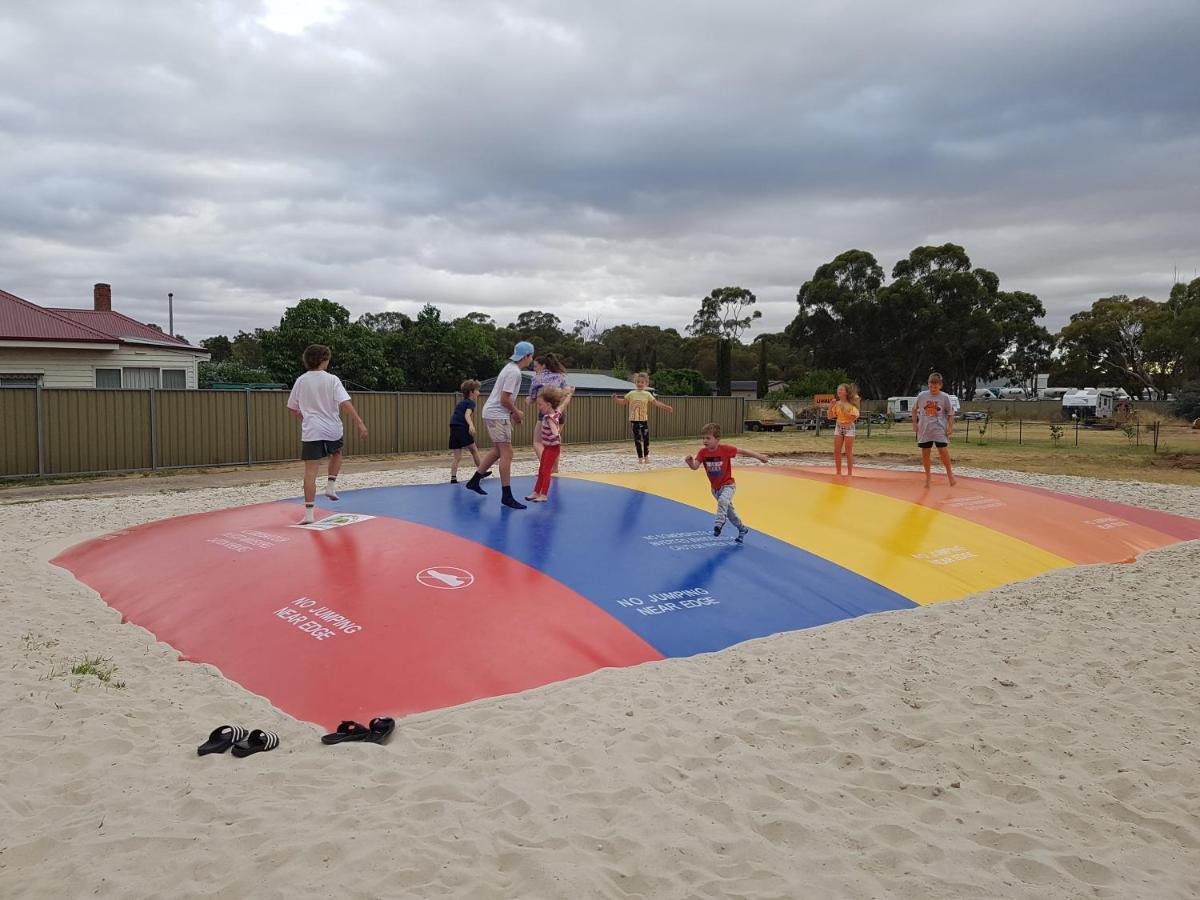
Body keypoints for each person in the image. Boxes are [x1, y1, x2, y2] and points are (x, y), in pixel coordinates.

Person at [286, 344, 368, 524]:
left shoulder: (301, 380)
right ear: (324, 360)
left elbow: (292, 407)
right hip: (332, 428)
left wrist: (305, 417)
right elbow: (345, 403)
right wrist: (360, 423)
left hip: (311, 430)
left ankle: (309, 514)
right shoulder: (332, 380)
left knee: (310, 472)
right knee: (337, 452)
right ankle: (330, 486)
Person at [465, 341, 534, 509]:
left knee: (498, 450)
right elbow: (504, 399)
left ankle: (474, 481)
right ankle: (506, 496)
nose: (532, 359)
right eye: (531, 356)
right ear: (526, 356)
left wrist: (512, 413)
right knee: (507, 452)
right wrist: (517, 413)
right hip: (497, 414)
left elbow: (504, 399)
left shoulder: (509, 368)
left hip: (495, 413)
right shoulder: (514, 372)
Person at [685, 422, 769, 543]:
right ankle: (742, 529)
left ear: (717, 439)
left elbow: (743, 451)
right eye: (703, 438)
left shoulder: (725, 450)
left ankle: (718, 524)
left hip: (728, 485)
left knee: (723, 501)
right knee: (730, 514)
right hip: (715, 489)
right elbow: (695, 467)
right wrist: (689, 462)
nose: (705, 441)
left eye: (708, 438)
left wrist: (760, 456)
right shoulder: (702, 452)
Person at [526, 386, 575, 502]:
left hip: (553, 448)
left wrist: (556, 435)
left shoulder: (549, 418)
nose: (539, 407)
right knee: (541, 470)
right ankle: (536, 492)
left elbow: (554, 429)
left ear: (548, 405)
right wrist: (570, 394)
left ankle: (543, 495)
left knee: (546, 471)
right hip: (548, 447)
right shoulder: (557, 412)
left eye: (540, 405)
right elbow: (564, 405)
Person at [613, 372, 674, 465]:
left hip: (643, 420)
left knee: (646, 439)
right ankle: (640, 458)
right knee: (637, 440)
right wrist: (616, 399)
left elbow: (656, 403)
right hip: (634, 420)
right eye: (638, 382)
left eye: (642, 382)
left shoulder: (647, 394)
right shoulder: (631, 393)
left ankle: (646, 457)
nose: (640, 384)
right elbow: (623, 402)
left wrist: (666, 407)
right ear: (635, 382)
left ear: (646, 384)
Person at [913, 372, 957, 487]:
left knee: (943, 450)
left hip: (939, 428)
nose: (933, 389)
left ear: (940, 385)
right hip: (924, 429)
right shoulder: (922, 396)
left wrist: (950, 427)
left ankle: (950, 474)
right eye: (931, 386)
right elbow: (914, 409)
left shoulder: (945, 397)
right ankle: (928, 477)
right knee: (925, 453)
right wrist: (914, 424)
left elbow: (951, 413)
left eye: (935, 386)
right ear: (928, 385)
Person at [527, 353, 569, 467]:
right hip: (560, 412)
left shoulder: (537, 377)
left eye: (536, 366)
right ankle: (555, 469)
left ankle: (547, 467)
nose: (534, 369)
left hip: (546, 413)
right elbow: (567, 391)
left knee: (537, 442)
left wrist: (528, 400)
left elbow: (531, 399)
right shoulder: (559, 376)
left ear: (543, 366)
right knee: (553, 442)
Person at [448, 379, 487, 484]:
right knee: (474, 449)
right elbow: (466, 414)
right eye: (477, 391)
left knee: (457, 456)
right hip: (462, 428)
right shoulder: (471, 403)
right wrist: (471, 425)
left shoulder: (460, 403)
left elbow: (456, 416)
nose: (479, 393)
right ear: (471, 392)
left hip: (454, 428)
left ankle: (453, 477)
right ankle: (481, 472)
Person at [826, 382, 861, 476]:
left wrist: (844, 410)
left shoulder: (851, 404)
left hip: (849, 427)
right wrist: (830, 406)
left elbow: (854, 417)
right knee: (837, 451)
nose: (839, 391)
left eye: (841, 389)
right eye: (838, 389)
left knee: (848, 451)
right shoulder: (836, 404)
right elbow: (829, 417)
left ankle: (849, 473)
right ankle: (838, 472)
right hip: (839, 427)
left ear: (846, 392)